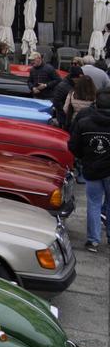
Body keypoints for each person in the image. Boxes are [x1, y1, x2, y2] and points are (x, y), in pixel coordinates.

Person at [68, 89, 110, 252]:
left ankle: (93, 240)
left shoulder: (84, 122)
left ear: (96, 103)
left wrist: (83, 158)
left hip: (92, 168)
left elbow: (73, 145)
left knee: (93, 204)